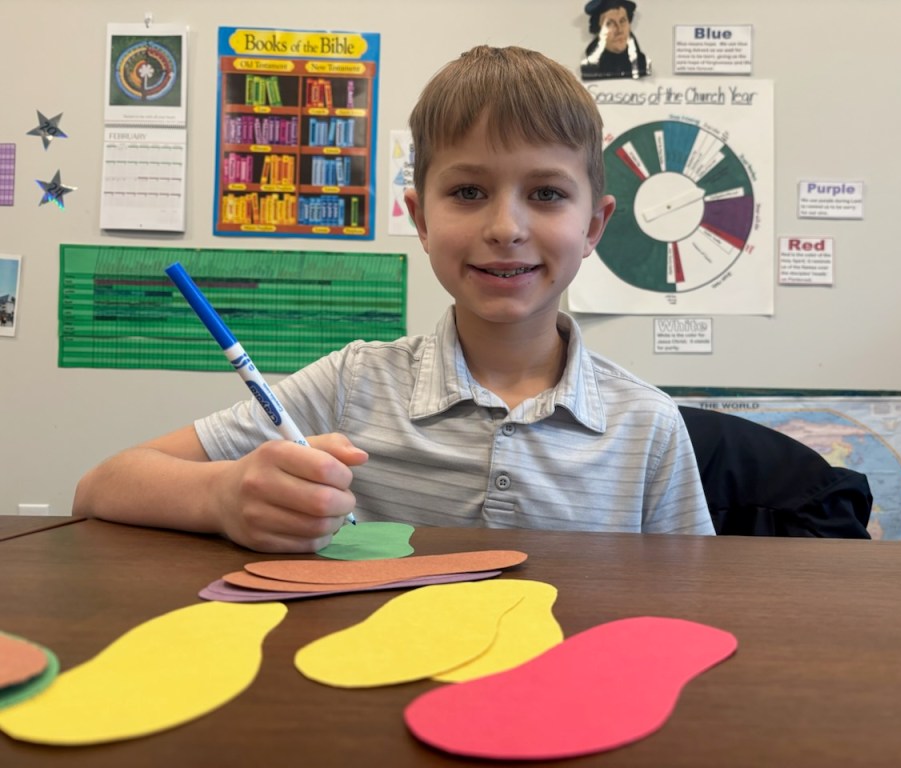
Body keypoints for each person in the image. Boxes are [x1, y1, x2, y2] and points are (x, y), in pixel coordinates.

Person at [73, 45, 713, 552]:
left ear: (594, 226)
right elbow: (100, 487)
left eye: (546, 194)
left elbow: (693, 598)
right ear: (421, 219)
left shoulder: (648, 425)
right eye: (468, 192)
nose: (505, 228)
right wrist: (221, 497)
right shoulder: (353, 384)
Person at [581, 0, 652, 80]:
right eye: (610, 23)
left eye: (622, 21)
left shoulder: (642, 63)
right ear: (598, 30)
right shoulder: (591, 66)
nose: (619, 30)